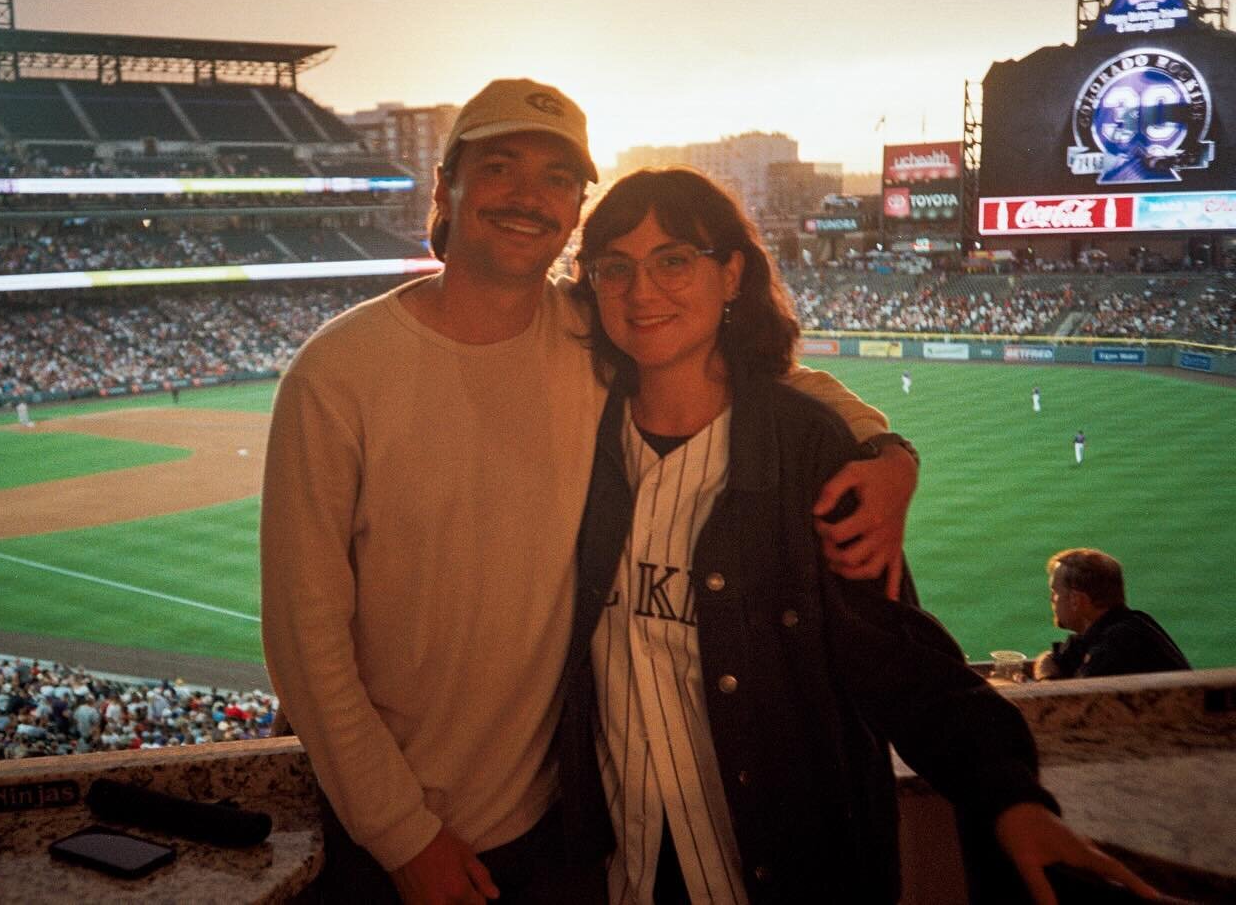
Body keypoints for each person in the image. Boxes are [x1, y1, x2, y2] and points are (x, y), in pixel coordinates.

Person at [262, 79, 919, 904]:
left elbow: (752, 371)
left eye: (557, 179)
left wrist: (887, 451)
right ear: (446, 187)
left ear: (574, 209)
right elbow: (302, 635)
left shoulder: (588, 328)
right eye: (500, 167)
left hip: (560, 829)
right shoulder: (336, 373)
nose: (529, 197)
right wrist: (403, 835)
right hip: (390, 841)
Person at [555, 168, 1161, 904]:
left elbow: (898, 659)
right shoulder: (574, 435)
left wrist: (1010, 798)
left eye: (674, 259)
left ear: (732, 275)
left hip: (789, 872)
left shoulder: (807, 448)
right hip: (620, 869)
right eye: (614, 268)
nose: (642, 291)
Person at [1034, 548, 1190, 680]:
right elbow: (1053, 659)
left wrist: (1045, 678)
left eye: (1055, 592)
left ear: (1076, 600)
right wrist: (1046, 665)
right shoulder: (1124, 625)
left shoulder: (1119, 644)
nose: (1051, 599)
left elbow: (1067, 706)